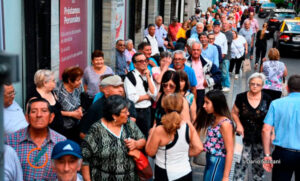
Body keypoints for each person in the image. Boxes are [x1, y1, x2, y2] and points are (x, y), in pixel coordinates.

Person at [81, 95, 146, 181]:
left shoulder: (129, 124)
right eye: (125, 112)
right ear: (114, 116)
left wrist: (136, 144)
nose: (128, 113)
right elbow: (85, 160)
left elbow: (143, 140)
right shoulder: (96, 130)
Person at [6, 98, 66, 180]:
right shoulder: (10, 141)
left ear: (51, 117)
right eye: (34, 111)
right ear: (27, 118)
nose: (39, 115)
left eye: (44, 111)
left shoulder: (61, 142)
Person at [146, 93, 203, 181]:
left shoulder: (159, 129)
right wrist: (181, 153)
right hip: (185, 172)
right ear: (181, 108)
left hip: (165, 173)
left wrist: (151, 133)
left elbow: (150, 152)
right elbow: (199, 148)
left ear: (164, 108)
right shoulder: (188, 125)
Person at [232, 73, 271, 181]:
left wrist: (272, 133)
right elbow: (234, 113)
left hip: (261, 136)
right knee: (241, 161)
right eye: (252, 83)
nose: (254, 86)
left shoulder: (267, 99)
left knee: (258, 164)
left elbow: (271, 118)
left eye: (258, 84)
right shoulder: (241, 97)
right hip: (243, 136)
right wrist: (238, 124)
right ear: (248, 84)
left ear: (262, 86)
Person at [262, 74, 300, 181]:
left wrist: (267, 154)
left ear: (287, 88)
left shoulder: (276, 103)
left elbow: (266, 130)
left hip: (283, 153)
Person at [194, 90, 234, 181]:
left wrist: (226, 176)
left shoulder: (225, 124)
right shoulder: (213, 118)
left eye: (207, 103)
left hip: (218, 161)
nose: (204, 105)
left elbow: (230, 151)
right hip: (209, 160)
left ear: (216, 104)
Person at [124, 53, 157, 138]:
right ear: (135, 64)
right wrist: (148, 96)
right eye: (140, 61)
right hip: (136, 111)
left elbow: (154, 94)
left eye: (145, 61)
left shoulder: (148, 74)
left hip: (148, 111)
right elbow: (132, 98)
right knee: (137, 137)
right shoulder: (130, 77)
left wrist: (149, 78)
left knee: (147, 135)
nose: (144, 63)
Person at [26, 69, 64, 134]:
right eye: (53, 80)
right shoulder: (34, 98)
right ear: (45, 83)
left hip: (59, 132)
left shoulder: (51, 92)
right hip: (46, 134)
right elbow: (31, 119)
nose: (55, 82)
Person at [187, 42, 222, 109]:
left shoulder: (207, 63)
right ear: (191, 50)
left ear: (200, 51)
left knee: (202, 110)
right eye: (194, 50)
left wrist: (209, 81)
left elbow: (218, 74)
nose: (196, 52)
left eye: (198, 50)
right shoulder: (185, 62)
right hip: (189, 91)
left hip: (202, 91)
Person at [55, 66, 84, 142]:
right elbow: (54, 110)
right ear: (69, 80)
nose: (80, 82)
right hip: (63, 127)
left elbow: (81, 100)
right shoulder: (57, 90)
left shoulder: (78, 86)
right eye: (78, 80)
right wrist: (72, 114)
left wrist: (80, 109)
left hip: (77, 124)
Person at [221, 20, 233, 92]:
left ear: (228, 25)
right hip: (220, 54)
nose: (224, 25)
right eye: (223, 23)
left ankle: (227, 85)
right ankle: (222, 84)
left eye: (225, 23)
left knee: (225, 71)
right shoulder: (221, 33)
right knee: (222, 70)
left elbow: (227, 41)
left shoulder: (229, 33)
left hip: (226, 55)